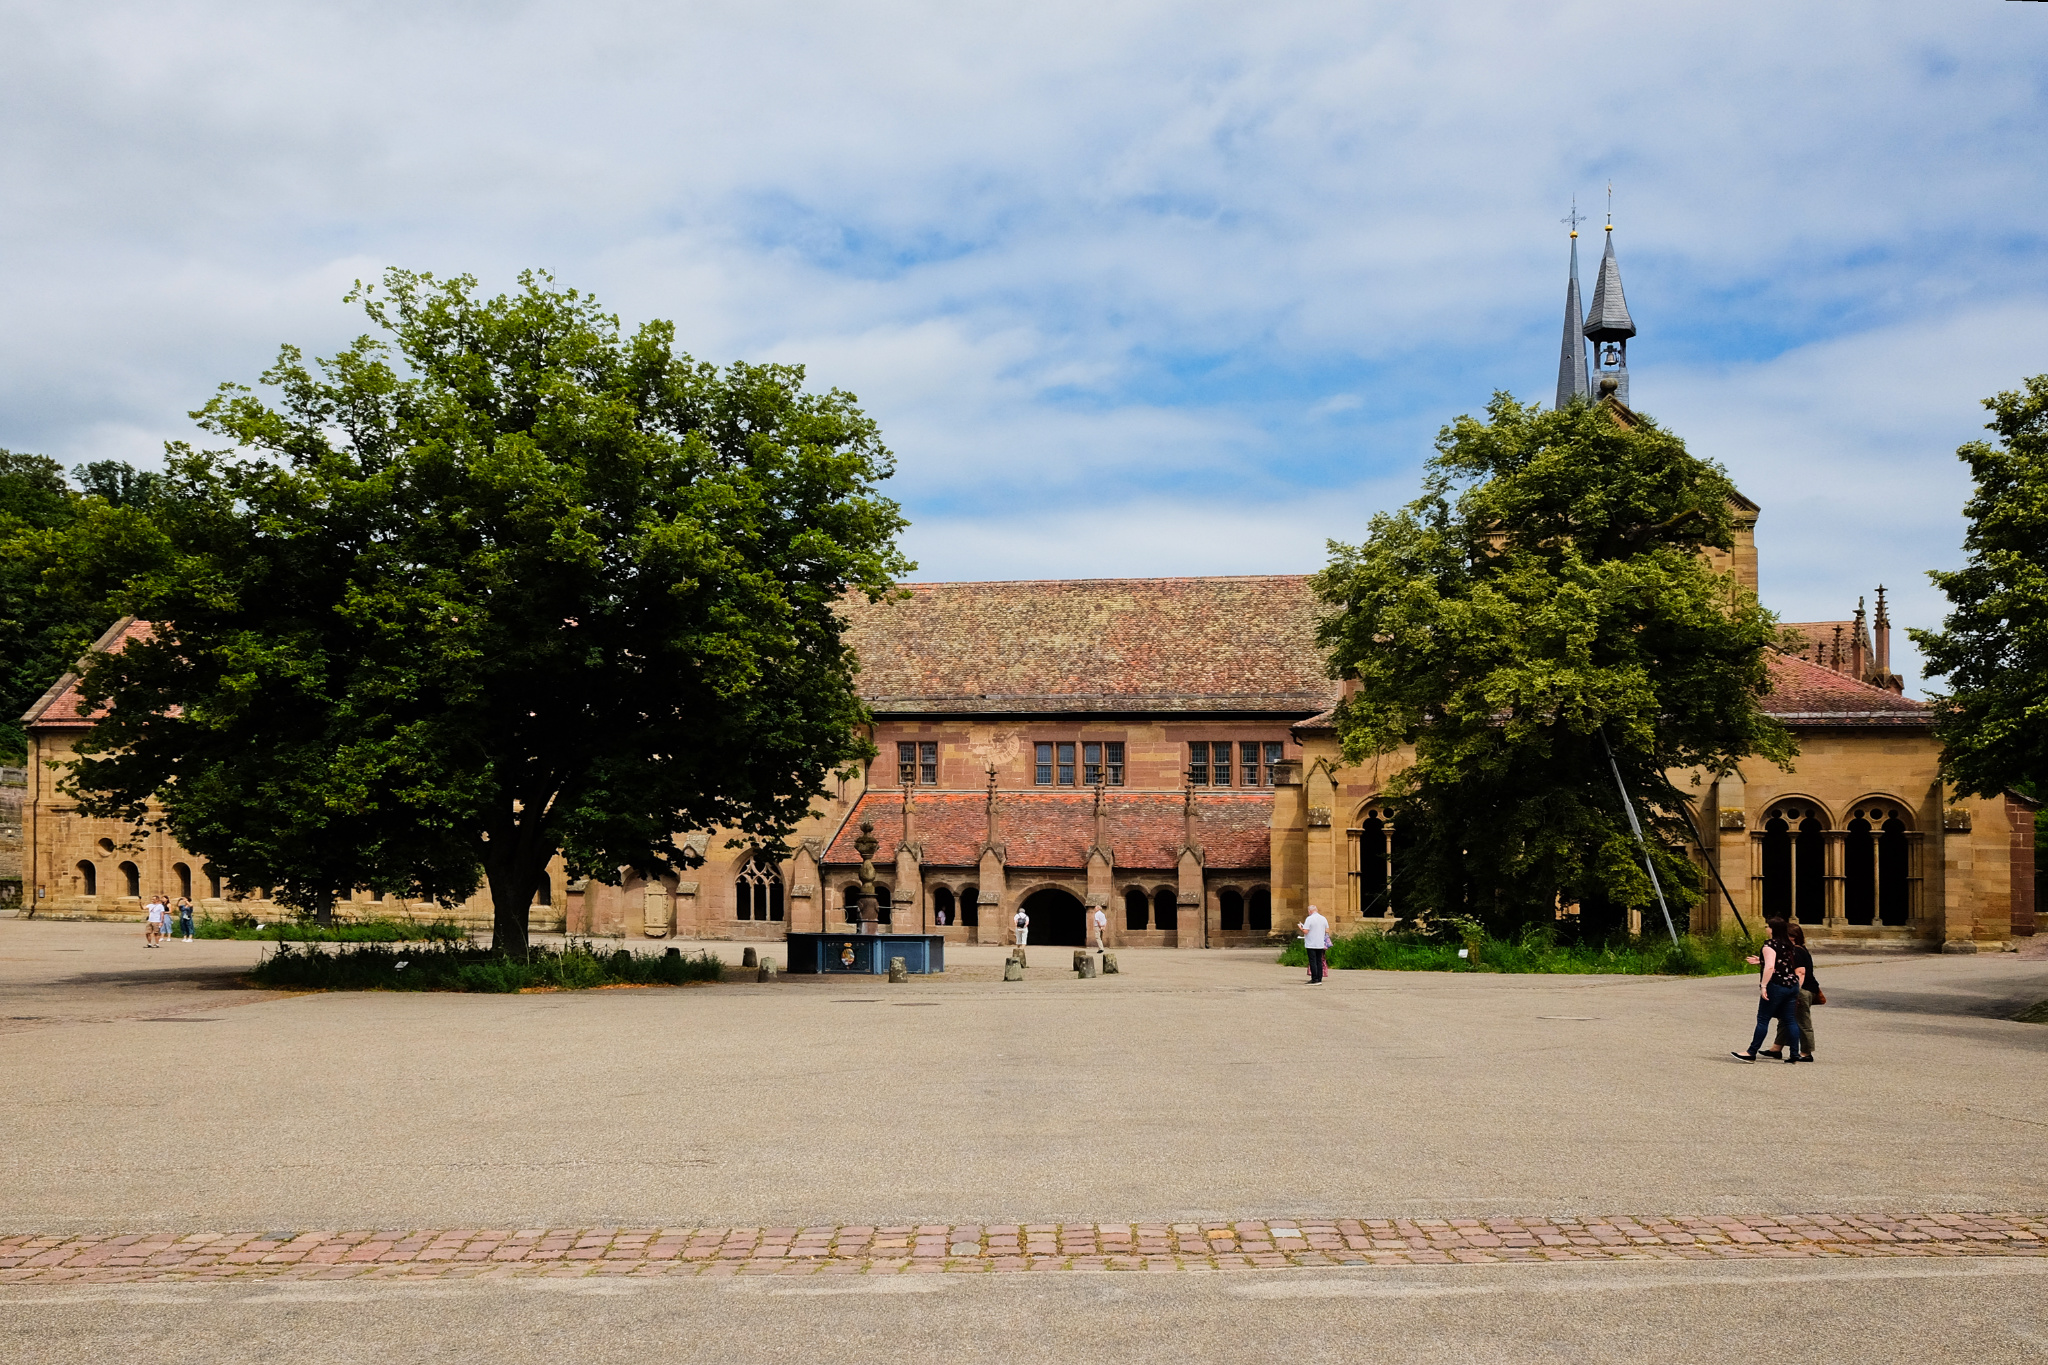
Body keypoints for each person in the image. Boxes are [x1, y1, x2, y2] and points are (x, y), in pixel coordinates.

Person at [1734, 917, 1805, 1063]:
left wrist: (1763, 985)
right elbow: (1783, 962)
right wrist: (1760, 960)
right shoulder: (1789, 945)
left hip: (1777, 985)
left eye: (1768, 926)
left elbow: (1771, 966)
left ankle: (1751, 1052)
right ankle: (1794, 1054)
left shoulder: (1769, 945)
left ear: (1772, 929)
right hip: (1791, 985)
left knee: (1763, 1019)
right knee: (1790, 1019)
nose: (1766, 929)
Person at [1758, 923, 1818, 1061]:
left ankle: (1806, 1052)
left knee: (1802, 1021)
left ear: (1792, 936)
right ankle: (1776, 1048)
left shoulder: (1797, 950)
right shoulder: (1793, 949)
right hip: (1797, 988)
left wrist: (1795, 992)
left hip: (1803, 989)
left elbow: (1801, 972)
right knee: (1786, 1018)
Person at [1299, 904, 1331, 984]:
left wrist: (1301, 928)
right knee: (1319, 961)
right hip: (1320, 943)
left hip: (1311, 943)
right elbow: (1327, 930)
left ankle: (1314, 978)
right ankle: (1319, 978)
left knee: (1313, 961)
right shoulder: (1323, 918)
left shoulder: (1309, 919)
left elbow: (1306, 931)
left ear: (1310, 911)